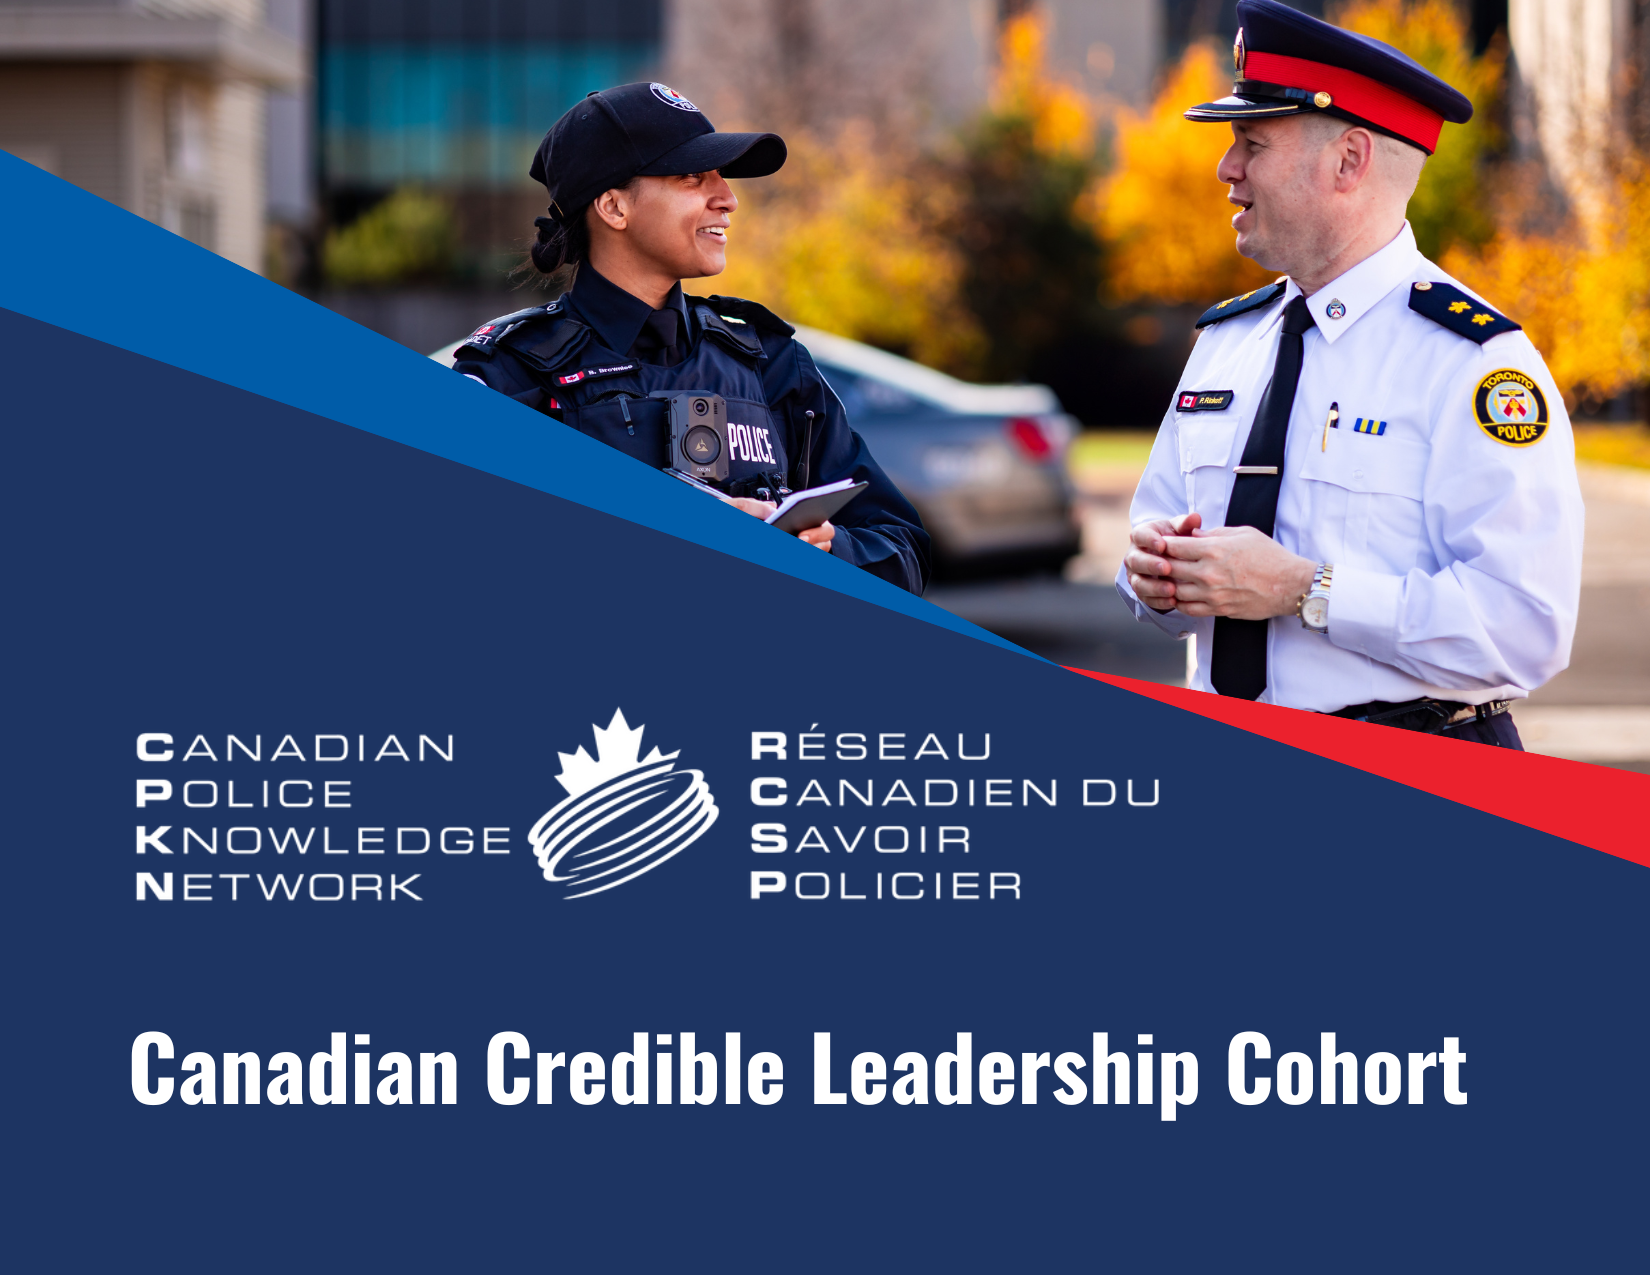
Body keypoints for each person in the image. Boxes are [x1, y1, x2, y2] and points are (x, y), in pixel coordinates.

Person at [1118, 0, 1583, 747]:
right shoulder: (1227, 342)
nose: (1226, 169)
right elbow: (1155, 542)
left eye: (1252, 142)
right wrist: (1154, 574)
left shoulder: (1474, 364)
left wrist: (1306, 589)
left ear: (1349, 160)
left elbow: (1524, 630)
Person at [453, 81, 931, 594]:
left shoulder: (773, 364)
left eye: (720, 177)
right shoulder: (510, 375)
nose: (728, 199)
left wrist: (826, 550)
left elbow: (902, 549)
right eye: (692, 178)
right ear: (614, 207)